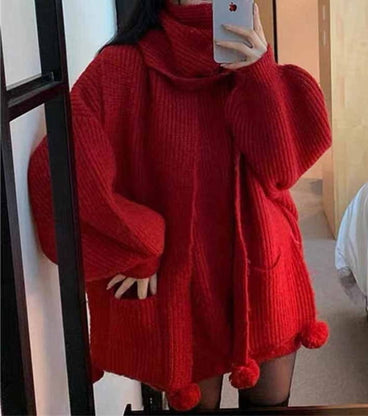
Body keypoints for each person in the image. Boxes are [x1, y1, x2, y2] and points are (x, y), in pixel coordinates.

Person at [27, 0, 332, 411]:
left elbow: (282, 170)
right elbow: (58, 169)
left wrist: (259, 73)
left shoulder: (249, 52)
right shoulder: (122, 66)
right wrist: (137, 241)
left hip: (264, 272)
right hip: (183, 287)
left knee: (270, 407)